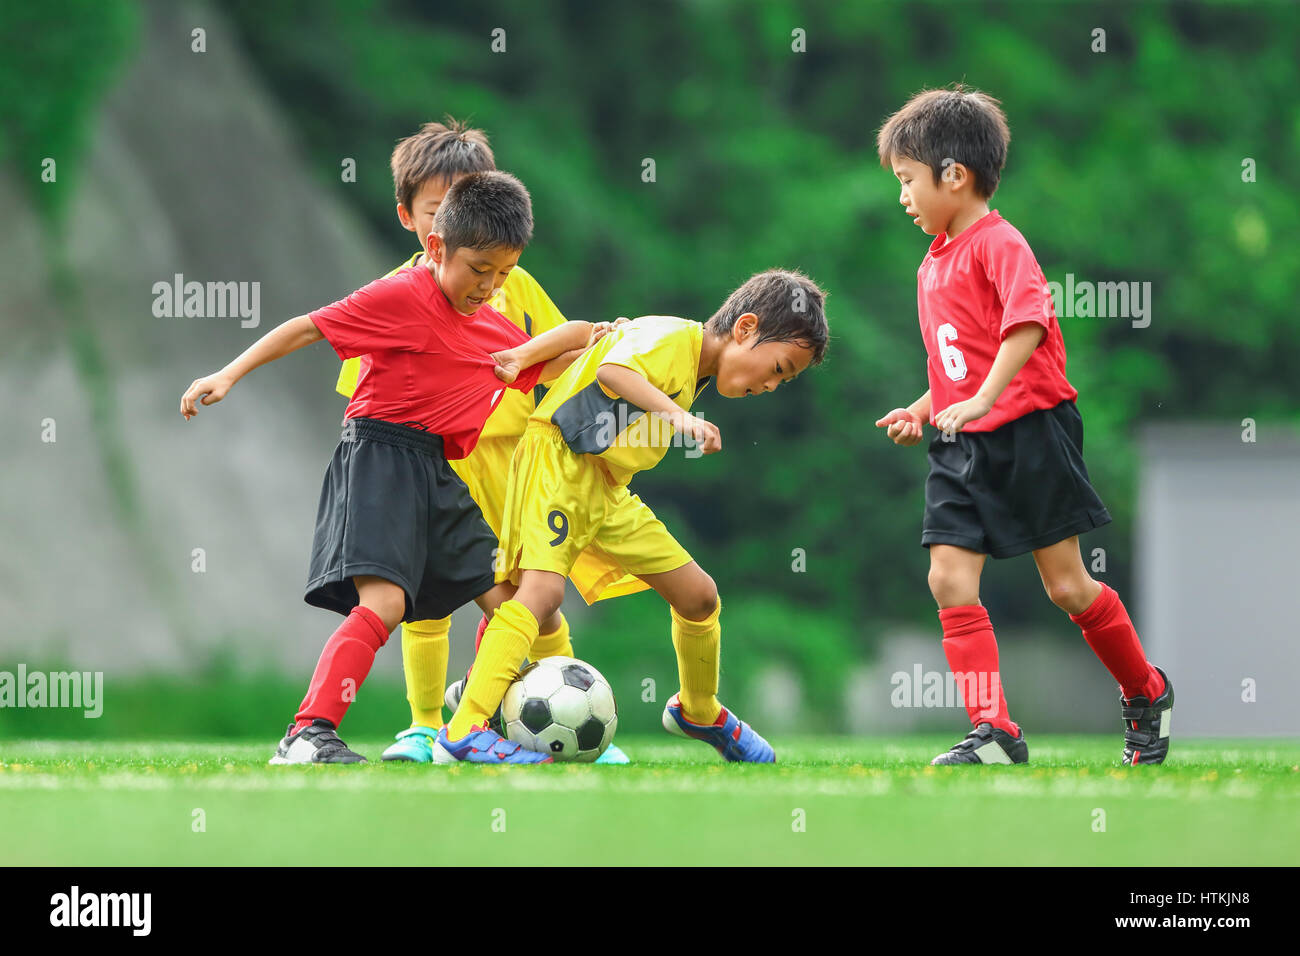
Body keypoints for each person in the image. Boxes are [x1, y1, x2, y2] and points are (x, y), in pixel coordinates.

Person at [181, 171, 608, 764]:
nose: (488, 286)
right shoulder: (403, 295)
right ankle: (306, 734)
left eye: (503, 273)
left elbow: (560, 361)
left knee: (513, 603)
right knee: (384, 605)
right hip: (380, 456)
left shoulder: (492, 329)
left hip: (437, 470)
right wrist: (227, 373)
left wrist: (612, 344)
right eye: (478, 269)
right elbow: (308, 326)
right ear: (436, 247)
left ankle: (472, 722)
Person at [873, 85, 1173, 766]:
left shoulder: (999, 243)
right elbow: (957, 360)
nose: (903, 196)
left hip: (1031, 430)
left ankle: (1144, 689)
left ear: (955, 175)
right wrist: (922, 409)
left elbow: (1028, 325)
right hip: (960, 441)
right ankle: (996, 731)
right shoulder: (932, 262)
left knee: (1067, 586)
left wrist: (983, 398)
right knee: (948, 579)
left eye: (908, 180)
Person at [436, 269, 830, 765]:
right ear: (746, 328)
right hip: (558, 461)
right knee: (541, 594)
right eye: (778, 368)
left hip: (606, 489)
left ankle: (699, 710)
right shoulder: (672, 337)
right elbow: (613, 374)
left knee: (699, 596)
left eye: (783, 380)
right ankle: (465, 724)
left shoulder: (694, 369)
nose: (773, 385)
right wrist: (679, 418)